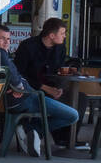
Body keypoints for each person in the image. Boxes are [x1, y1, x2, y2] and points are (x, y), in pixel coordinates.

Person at [0, 20, 78, 156]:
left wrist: (13, 85)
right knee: (72, 115)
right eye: (2, 39)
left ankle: (32, 131)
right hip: (25, 98)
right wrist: (18, 87)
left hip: (14, 98)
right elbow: (13, 75)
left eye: (8, 39)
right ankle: (33, 129)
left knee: (73, 103)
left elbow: (0, 74)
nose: (7, 42)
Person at [15, 17, 83, 151]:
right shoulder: (28, 46)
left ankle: (64, 139)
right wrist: (45, 88)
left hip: (51, 88)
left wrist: (60, 87)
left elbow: (58, 70)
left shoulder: (60, 48)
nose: (65, 36)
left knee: (80, 99)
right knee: (69, 109)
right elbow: (20, 75)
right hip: (31, 91)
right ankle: (34, 130)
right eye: (62, 33)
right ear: (52, 35)